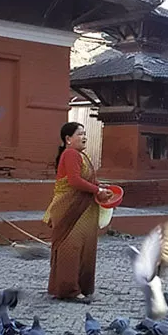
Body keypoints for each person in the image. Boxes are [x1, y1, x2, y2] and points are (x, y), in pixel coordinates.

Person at [43, 122, 114, 303]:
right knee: (71, 248)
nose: (85, 137)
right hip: (69, 209)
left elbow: (89, 180)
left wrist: (101, 187)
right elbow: (74, 181)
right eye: (80, 134)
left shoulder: (83, 156)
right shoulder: (70, 154)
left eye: (84, 133)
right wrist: (97, 191)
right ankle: (69, 290)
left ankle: (81, 286)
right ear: (68, 139)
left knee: (85, 247)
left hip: (84, 209)